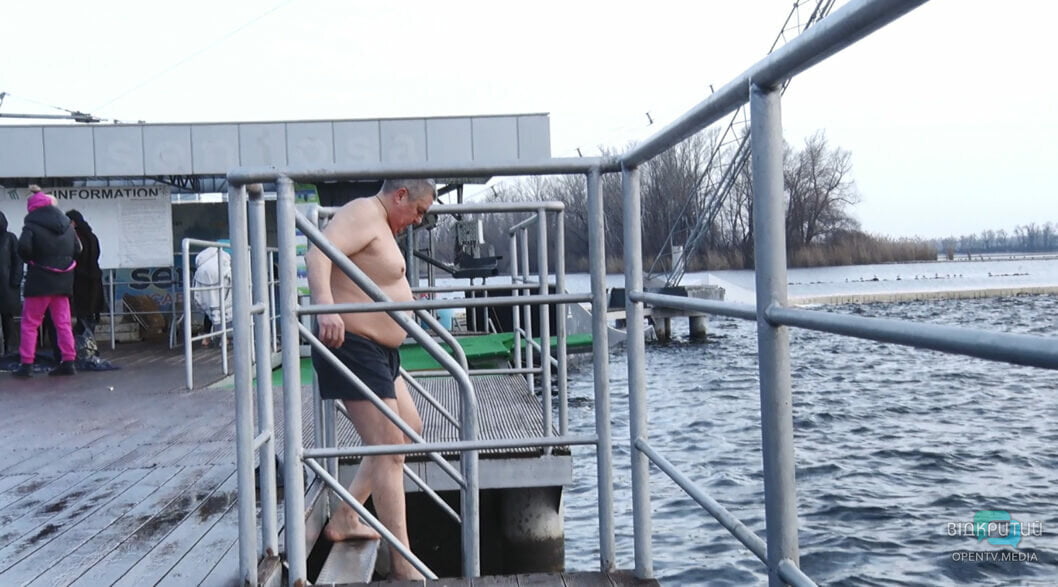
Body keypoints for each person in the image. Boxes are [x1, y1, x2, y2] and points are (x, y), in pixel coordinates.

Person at [306, 178, 435, 581]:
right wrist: (325, 307)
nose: (416, 220)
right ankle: (403, 562)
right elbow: (317, 252)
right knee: (388, 444)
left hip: (381, 351)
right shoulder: (363, 212)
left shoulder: (381, 223)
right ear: (400, 194)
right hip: (353, 345)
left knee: (409, 427)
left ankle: (346, 516)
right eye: (417, 211)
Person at [14, 186, 81, 377]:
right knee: (63, 323)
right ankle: (68, 361)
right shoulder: (68, 225)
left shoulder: (31, 226)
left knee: (30, 323)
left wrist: (33, 260)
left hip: (40, 281)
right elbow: (78, 250)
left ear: (32, 208)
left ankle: (27, 364)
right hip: (63, 280)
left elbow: (23, 248)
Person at [65, 210, 106, 338]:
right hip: (94, 277)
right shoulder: (92, 236)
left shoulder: (74, 238)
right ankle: (89, 339)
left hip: (80, 278)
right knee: (91, 311)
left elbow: (73, 256)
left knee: (81, 311)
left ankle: (83, 340)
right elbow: (97, 254)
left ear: (73, 222)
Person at [192, 242, 232, 347]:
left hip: (205, 282)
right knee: (226, 310)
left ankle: (207, 337)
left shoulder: (204, 259)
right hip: (222, 282)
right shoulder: (226, 254)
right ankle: (225, 338)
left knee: (209, 310)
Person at [0, 211, 24, 356]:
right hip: (6, 284)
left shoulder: (10, 238)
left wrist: (15, 281)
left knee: (7, 319)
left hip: (6, 286)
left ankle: (10, 349)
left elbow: (18, 261)